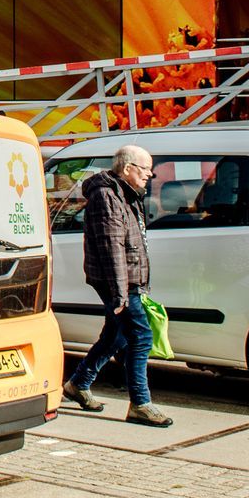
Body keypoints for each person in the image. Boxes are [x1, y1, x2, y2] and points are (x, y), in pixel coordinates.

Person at [61, 145, 172, 427]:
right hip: (119, 282)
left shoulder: (125, 193)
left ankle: (78, 384)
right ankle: (140, 404)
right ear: (127, 168)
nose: (150, 175)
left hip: (127, 280)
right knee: (140, 337)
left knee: (116, 336)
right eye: (145, 169)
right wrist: (120, 293)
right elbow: (112, 248)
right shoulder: (107, 196)